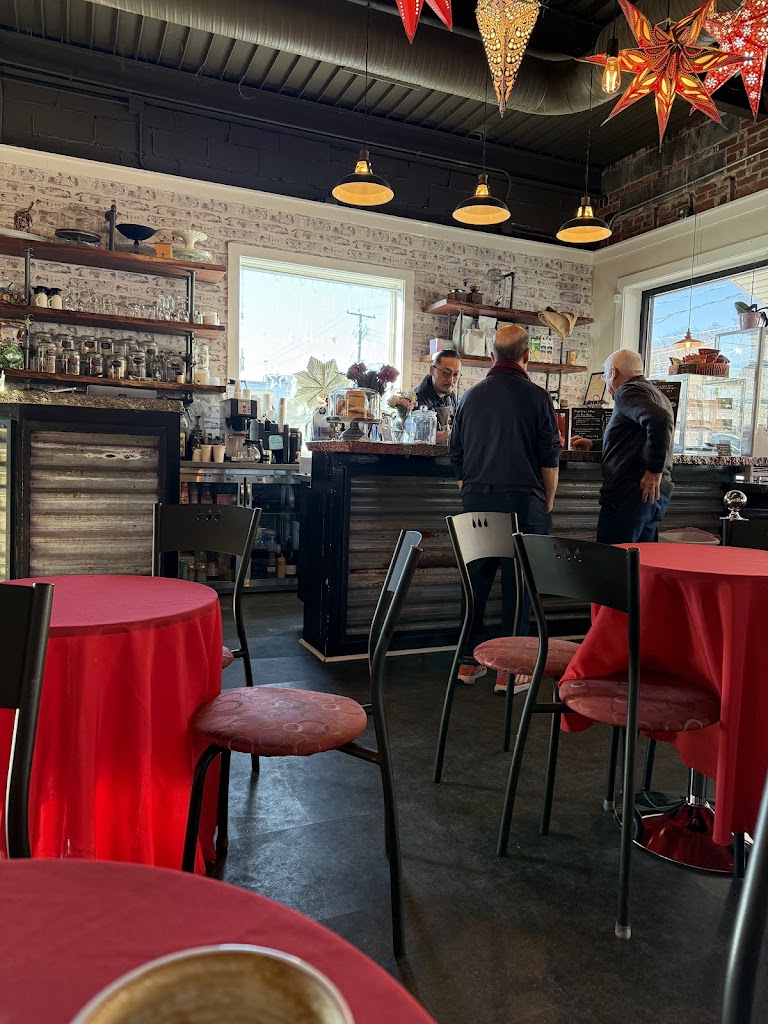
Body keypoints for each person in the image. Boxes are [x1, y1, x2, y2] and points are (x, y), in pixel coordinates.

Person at [449, 324, 561, 691]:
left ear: (491, 356)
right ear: (527, 356)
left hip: (476, 502)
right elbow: (549, 460)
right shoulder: (538, 398)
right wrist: (546, 503)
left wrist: (471, 491)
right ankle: (510, 671)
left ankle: (468, 663)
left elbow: (456, 454)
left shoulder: (469, 397)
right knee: (519, 585)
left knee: (476, 583)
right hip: (523, 502)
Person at [571, 348, 674, 543]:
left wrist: (655, 470)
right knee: (642, 557)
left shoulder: (627, 391)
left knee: (614, 556)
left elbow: (660, 420)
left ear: (613, 373)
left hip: (632, 492)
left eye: (605, 376)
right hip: (653, 494)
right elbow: (634, 438)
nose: (606, 382)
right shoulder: (657, 394)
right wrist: (594, 444)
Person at [415, 349, 461, 441]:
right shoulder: (416, 399)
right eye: (446, 373)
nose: (451, 380)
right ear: (432, 370)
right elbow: (418, 435)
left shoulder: (451, 397)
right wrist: (451, 434)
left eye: (455, 374)